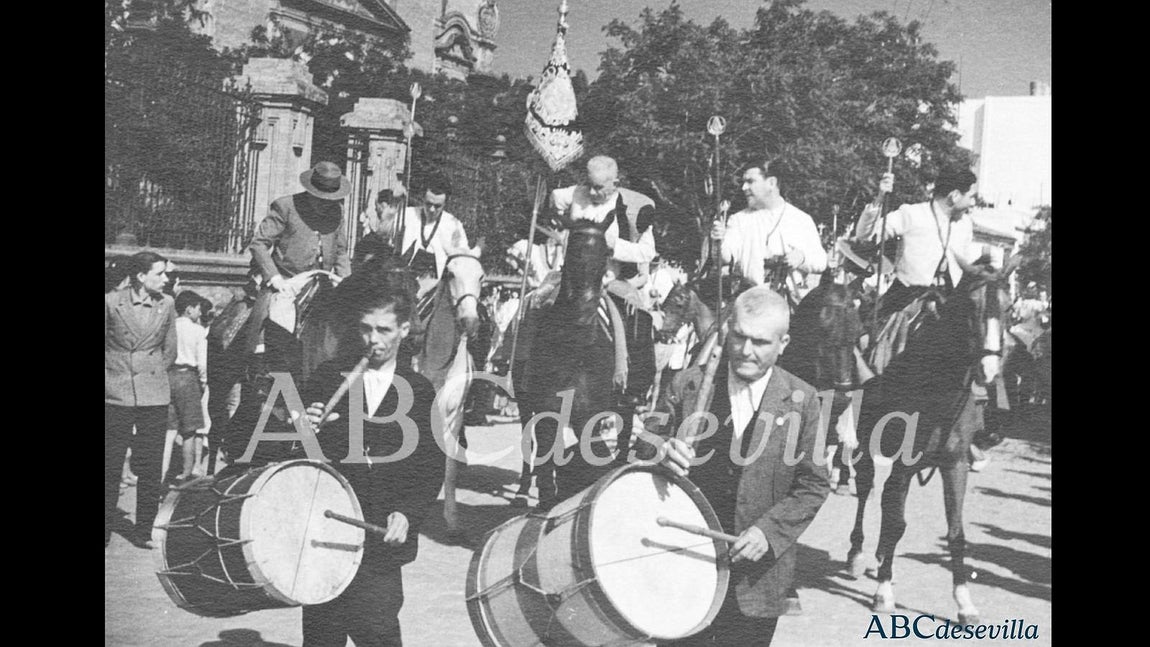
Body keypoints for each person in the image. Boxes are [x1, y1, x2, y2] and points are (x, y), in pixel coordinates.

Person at [640, 286, 831, 646]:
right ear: (727, 330)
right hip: (684, 566)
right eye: (739, 336)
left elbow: (814, 484)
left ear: (783, 343)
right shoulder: (687, 383)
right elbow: (645, 440)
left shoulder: (803, 400)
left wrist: (768, 533)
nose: (745, 350)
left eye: (760, 342)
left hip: (757, 581)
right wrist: (661, 449)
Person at [300, 279, 444, 647]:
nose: (373, 340)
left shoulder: (420, 390)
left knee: (378, 632)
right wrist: (304, 430)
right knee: (321, 636)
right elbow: (297, 460)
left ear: (404, 330)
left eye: (384, 330)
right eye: (366, 329)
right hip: (328, 530)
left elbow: (430, 466)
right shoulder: (328, 376)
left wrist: (408, 514)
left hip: (382, 536)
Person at [105, 251, 178, 548]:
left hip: (153, 394)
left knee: (150, 465)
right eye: (159, 273)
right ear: (140, 276)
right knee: (110, 463)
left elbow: (169, 351)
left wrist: (151, 374)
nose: (165, 279)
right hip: (115, 393)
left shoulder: (167, 304)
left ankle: (144, 530)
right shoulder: (111, 302)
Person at [245, 161, 352, 355]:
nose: (326, 204)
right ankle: (268, 364)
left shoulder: (337, 212)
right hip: (286, 282)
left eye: (330, 199)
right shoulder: (286, 206)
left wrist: (346, 281)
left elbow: (341, 251)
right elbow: (259, 244)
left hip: (322, 284)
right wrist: (274, 277)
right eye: (321, 199)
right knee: (276, 328)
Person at [854, 166, 980, 321]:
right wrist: (880, 198)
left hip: (950, 304)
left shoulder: (965, 224)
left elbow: (965, 268)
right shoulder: (912, 214)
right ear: (954, 196)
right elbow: (866, 236)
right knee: (871, 330)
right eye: (971, 197)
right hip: (904, 300)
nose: (973, 203)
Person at [711, 159, 828, 299]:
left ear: (771, 183)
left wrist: (802, 258)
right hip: (749, 301)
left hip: (787, 301)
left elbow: (821, 261)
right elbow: (725, 258)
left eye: (750, 181)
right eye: (744, 182)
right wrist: (718, 241)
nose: (743, 187)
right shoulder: (739, 220)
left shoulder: (801, 219)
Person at [388, 176, 470, 285]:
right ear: (422, 198)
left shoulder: (454, 225)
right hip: (403, 285)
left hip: (436, 288)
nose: (432, 209)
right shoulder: (407, 215)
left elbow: (463, 258)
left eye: (437, 206)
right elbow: (386, 238)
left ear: (446, 203)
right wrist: (394, 203)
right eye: (428, 204)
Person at [167, 291, 210, 482]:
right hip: (189, 378)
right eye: (198, 308)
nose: (200, 313)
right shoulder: (198, 331)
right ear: (189, 309)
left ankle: (162, 472)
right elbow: (202, 363)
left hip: (169, 376)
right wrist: (203, 383)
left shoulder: (169, 327)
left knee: (169, 429)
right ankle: (186, 472)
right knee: (189, 431)